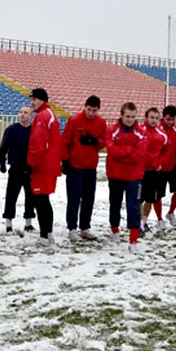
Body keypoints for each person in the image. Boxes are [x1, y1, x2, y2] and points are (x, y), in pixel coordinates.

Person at [61, 95, 106, 241]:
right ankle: (72, 228)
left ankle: (85, 227)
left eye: (94, 110)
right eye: (89, 110)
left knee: (89, 197)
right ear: (84, 106)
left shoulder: (101, 122)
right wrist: (65, 161)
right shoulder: (74, 121)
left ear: (98, 110)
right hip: (75, 165)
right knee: (74, 196)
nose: (91, 113)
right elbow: (65, 141)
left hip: (90, 166)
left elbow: (104, 142)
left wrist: (95, 141)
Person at [105, 102, 147, 254]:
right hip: (115, 174)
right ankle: (115, 230)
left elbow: (140, 154)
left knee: (133, 206)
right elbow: (111, 150)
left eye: (133, 117)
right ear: (121, 115)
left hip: (134, 176)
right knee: (115, 204)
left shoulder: (141, 132)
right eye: (127, 116)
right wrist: (128, 150)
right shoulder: (112, 130)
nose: (130, 119)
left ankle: (133, 240)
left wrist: (122, 154)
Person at [27, 88, 62, 246]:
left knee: (40, 200)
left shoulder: (42, 116)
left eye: (34, 99)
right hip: (50, 164)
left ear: (41, 100)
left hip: (42, 165)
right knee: (44, 199)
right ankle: (48, 233)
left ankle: (44, 236)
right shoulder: (50, 115)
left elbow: (37, 143)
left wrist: (31, 163)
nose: (31, 103)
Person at [0, 106, 36, 233]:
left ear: (31, 115)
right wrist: (2, 163)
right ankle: (8, 222)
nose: (23, 115)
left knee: (30, 196)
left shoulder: (34, 130)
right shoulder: (12, 130)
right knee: (11, 196)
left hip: (30, 168)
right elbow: (3, 149)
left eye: (26, 113)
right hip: (15, 168)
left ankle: (28, 222)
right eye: (21, 112)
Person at [139, 107, 169, 232]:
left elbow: (167, 149)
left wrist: (160, 162)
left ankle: (144, 222)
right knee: (138, 198)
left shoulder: (162, 134)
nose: (154, 120)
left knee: (150, 198)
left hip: (153, 171)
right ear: (146, 118)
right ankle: (139, 223)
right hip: (139, 171)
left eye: (156, 118)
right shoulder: (140, 130)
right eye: (151, 117)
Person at [154, 106, 176, 227]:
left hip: (173, 167)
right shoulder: (158, 130)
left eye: (173, 119)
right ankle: (160, 219)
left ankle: (171, 213)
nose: (170, 122)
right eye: (168, 119)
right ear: (163, 117)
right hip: (160, 168)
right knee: (157, 195)